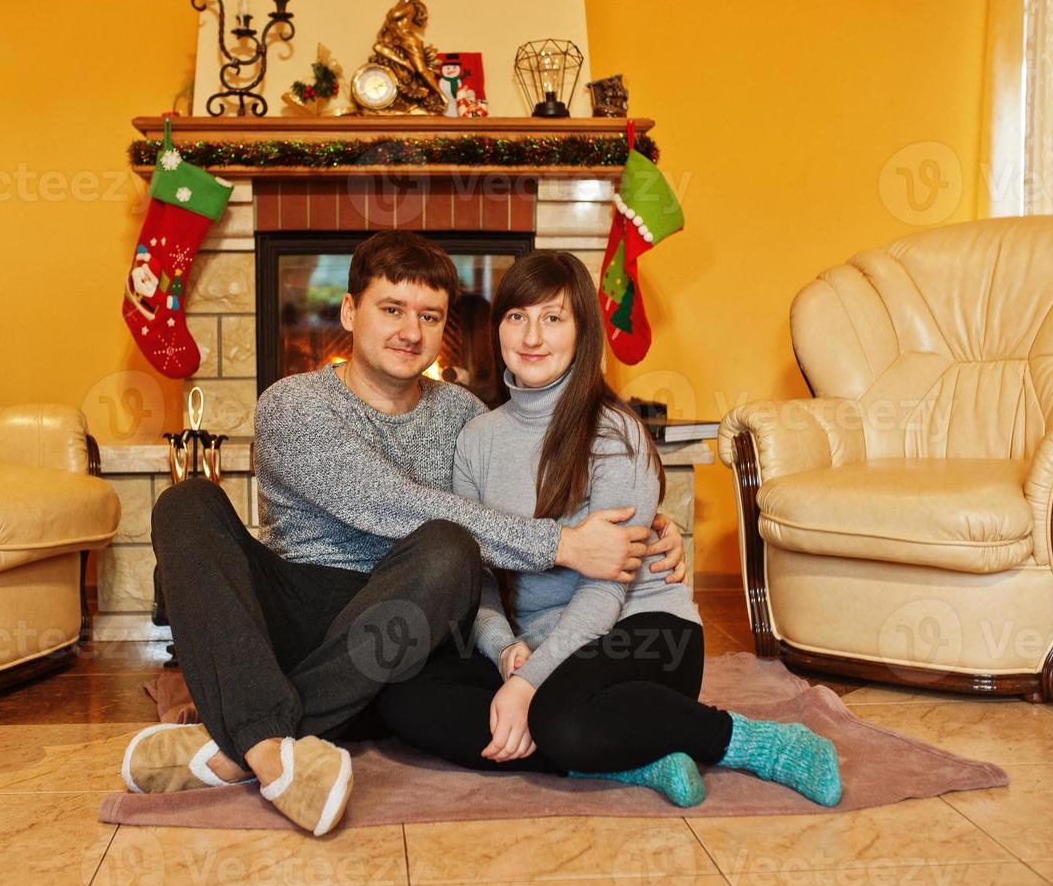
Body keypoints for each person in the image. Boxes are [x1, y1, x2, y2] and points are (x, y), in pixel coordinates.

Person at [121, 231, 689, 835]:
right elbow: (391, 503)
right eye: (391, 309)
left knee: (449, 548)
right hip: (299, 613)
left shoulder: (466, 416)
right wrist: (563, 545)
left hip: (406, 629)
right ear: (349, 312)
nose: (410, 332)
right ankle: (266, 746)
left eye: (429, 317)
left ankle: (244, 743)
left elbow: (514, 497)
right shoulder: (292, 405)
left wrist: (648, 519)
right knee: (186, 502)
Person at [378, 250, 843, 808]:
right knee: (401, 690)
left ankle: (746, 740)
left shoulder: (614, 433)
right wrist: (506, 654)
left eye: (553, 318)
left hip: (643, 633)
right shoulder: (477, 439)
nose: (532, 336)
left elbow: (606, 587)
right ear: (496, 327)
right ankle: (632, 756)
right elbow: (473, 572)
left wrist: (526, 686)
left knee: (559, 716)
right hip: (537, 643)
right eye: (516, 316)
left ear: (582, 333)